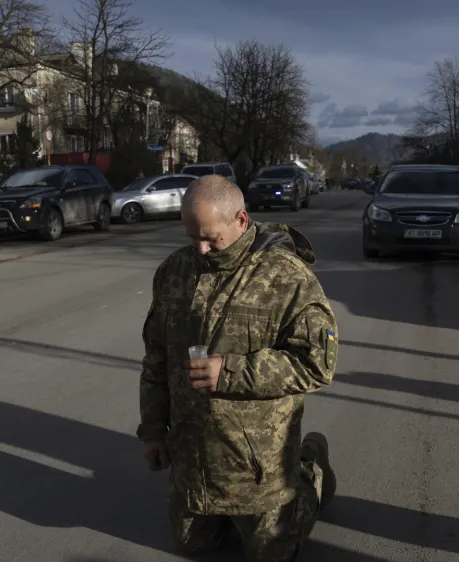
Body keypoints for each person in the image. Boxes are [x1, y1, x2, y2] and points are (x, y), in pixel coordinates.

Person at [137, 174, 339, 561]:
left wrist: (228, 372)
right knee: (194, 546)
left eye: (211, 238)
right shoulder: (174, 271)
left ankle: (309, 471)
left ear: (241, 221)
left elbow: (316, 365)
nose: (201, 248)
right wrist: (152, 432)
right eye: (192, 235)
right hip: (193, 462)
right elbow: (156, 360)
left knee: (269, 553)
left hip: (258, 467)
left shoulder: (285, 277)